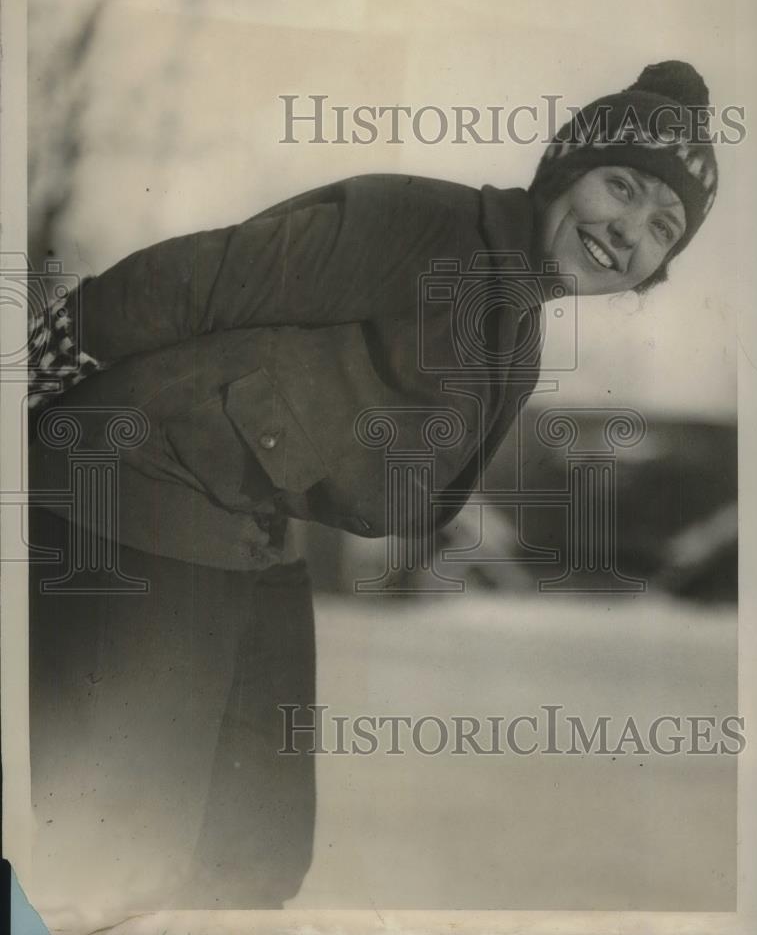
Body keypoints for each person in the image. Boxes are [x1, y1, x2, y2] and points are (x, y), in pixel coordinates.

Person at [26, 60, 717, 920]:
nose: (628, 231)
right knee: (113, 839)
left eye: (662, 227)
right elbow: (188, 280)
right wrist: (28, 387)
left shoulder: (519, 326)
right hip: (132, 487)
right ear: (567, 170)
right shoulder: (425, 223)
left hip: (250, 526)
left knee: (254, 851)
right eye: (621, 187)